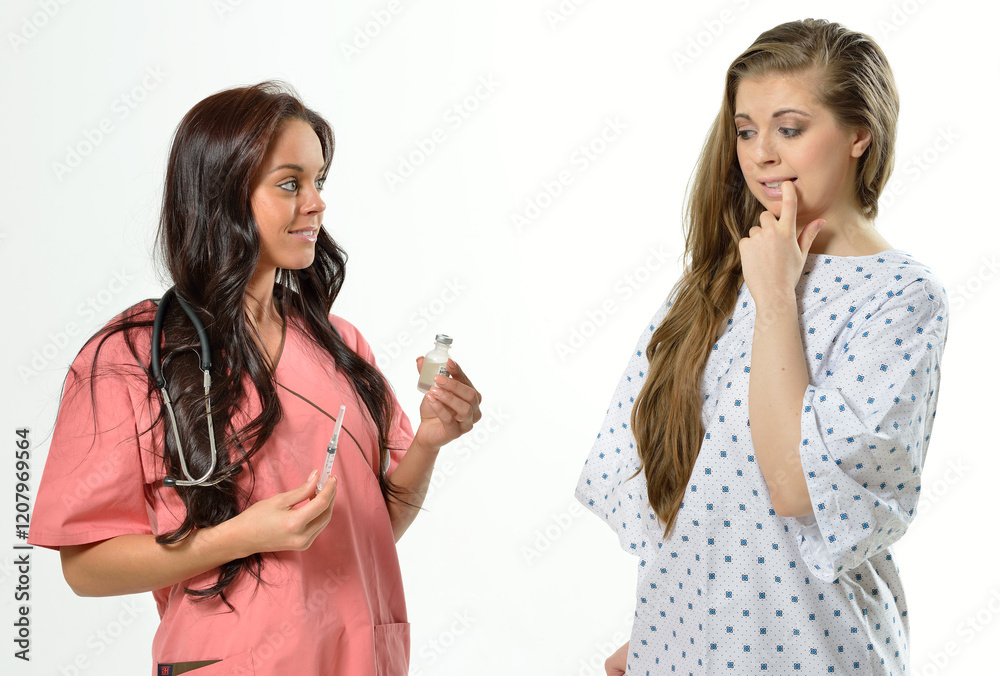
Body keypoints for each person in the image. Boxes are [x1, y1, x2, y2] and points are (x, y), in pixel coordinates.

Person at [28, 81, 482, 675]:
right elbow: (84, 568)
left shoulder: (341, 344)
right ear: (222, 195)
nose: (317, 203)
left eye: (319, 181)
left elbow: (371, 529)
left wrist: (428, 442)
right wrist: (239, 537)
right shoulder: (133, 357)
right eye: (291, 184)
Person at [575, 18, 948, 675]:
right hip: (690, 647)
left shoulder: (901, 297)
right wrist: (664, 628)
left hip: (816, 650)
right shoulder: (718, 278)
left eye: (790, 128)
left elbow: (796, 488)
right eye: (746, 130)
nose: (761, 154)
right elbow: (690, 482)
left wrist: (776, 298)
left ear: (859, 134)